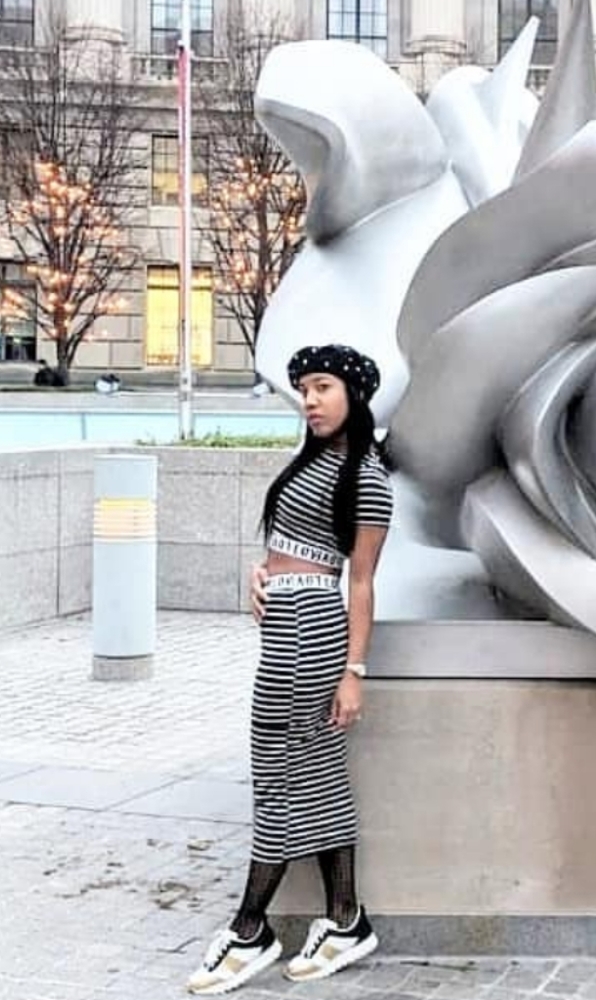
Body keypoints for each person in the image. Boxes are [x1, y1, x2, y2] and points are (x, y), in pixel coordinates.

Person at [187, 344, 393, 995]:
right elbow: (290, 549)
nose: (309, 399)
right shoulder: (313, 460)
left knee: (276, 773)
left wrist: (354, 671)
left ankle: (251, 929)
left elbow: (361, 581)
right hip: (287, 624)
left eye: (322, 386)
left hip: (310, 632)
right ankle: (346, 919)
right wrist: (263, 575)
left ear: (353, 394)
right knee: (316, 771)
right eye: (303, 388)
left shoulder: (366, 476)